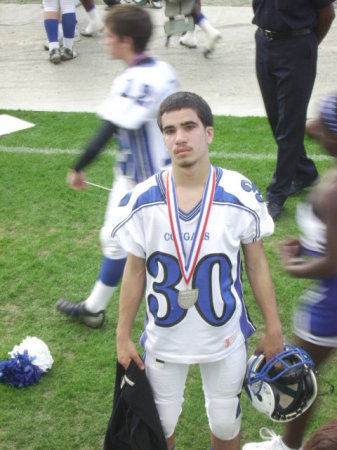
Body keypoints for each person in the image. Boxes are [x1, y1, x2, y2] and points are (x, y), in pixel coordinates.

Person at [113, 91, 284, 450]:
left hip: (223, 336)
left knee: (225, 421)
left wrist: (274, 327)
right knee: (160, 425)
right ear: (163, 136)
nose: (180, 138)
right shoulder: (145, 199)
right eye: (170, 129)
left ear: (208, 133)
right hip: (164, 336)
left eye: (189, 126)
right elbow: (134, 270)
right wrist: (123, 334)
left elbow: (256, 262)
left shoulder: (238, 193)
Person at [56, 4, 179, 328]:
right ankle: (95, 308)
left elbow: (108, 129)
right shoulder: (164, 70)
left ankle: (100, 309)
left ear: (125, 40)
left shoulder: (132, 80)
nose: (103, 41)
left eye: (109, 36)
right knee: (131, 240)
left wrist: (78, 167)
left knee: (136, 243)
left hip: (144, 181)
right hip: (159, 174)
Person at [242, 94, 337, 450]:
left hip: (331, 305)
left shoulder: (334, 193)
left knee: (296, 374)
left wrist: (294, 266)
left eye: (325, 125)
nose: (316, 128)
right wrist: (314, 242)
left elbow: (333, 263)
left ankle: (287, 447)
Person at [252, 0, 335, 220]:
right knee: (277, 120)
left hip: (296, 46)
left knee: (289, 124)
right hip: (264, 42)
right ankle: (305, 172)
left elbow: (327, 13)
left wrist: (306, 45)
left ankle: (276, 194)